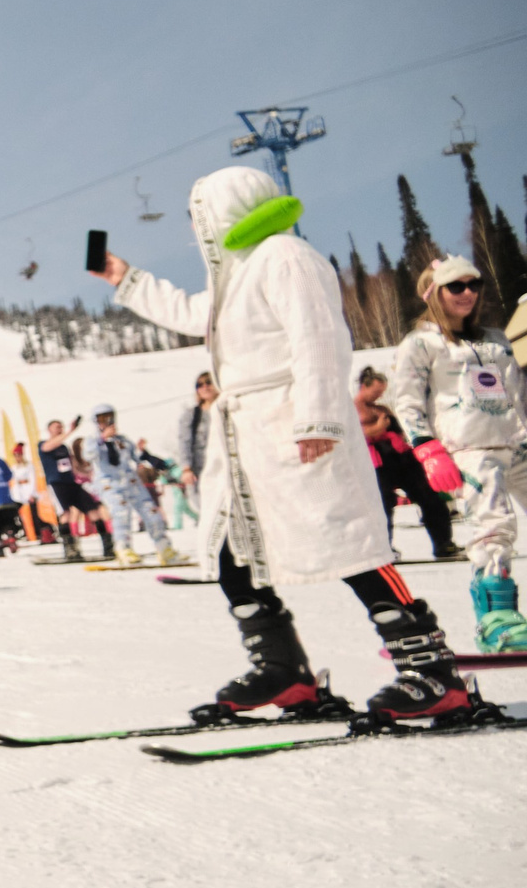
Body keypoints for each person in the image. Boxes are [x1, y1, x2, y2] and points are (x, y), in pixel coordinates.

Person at [101, 166, 472, 718]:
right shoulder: (239, 274)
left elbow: (318, 335)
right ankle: (282, 672)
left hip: (294, 422)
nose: (195, 228)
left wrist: (319, 418)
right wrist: (124, 278)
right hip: (247, 437)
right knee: (230, 552)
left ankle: (433, 672)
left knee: (350, 545)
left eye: (198, 215)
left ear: (229, 209)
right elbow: (188, 312)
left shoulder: (285, 256)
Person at [388, 254, 527, 651]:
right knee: (494, 527)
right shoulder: (421, 344)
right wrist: (428, 450)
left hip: (516, 443)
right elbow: (407, 401)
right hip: (468, 450)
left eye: (474, 284)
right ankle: (496, 622)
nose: (468, 293)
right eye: (456, 286)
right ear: (434, 293)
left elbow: (519, 393)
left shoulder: (496, 339)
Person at [357, 366, 456, 559]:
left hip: (401, 458)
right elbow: (352, 436)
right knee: (383, 504)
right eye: (376, 391)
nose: (379, 395)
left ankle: (444, 543)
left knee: (430, 497)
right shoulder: (351, 409)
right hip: (377, 463)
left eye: (382, 392)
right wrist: (377, 428)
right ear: (364, 387)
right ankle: (383, 549)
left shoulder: (380, 408)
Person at [88, 406, 176, 564]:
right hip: (110, 483)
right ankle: (123, 549)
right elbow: (89, 455)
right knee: (121, 514)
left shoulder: (122, 440)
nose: (107, 421)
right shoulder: (93, 441)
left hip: (131, 482)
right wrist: (102, 439)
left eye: (109, 417)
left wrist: (142, 451)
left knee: (151, 512)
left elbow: (136, 457)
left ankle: (164, 548)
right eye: (102, 418)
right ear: (96, 421)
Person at [36, 420, 115, 561]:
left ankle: (109, 547)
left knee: (94, 511)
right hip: (56, 484)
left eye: (61, 426)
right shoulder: (43, 444)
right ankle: (71, 549)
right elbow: (50, 446)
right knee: (65, 514)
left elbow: (72, 465)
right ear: (49, 429)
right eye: (56, 427)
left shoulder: (64, 447)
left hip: (71, 483)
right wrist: (70, 431)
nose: (60, 429)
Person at [173, 372, 216, 486]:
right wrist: (186, 469)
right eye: (200, 385)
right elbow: (184, 442)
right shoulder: (191, 415)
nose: (205, 387)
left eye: (208, 382)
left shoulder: (228, 409)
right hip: (201, 472)